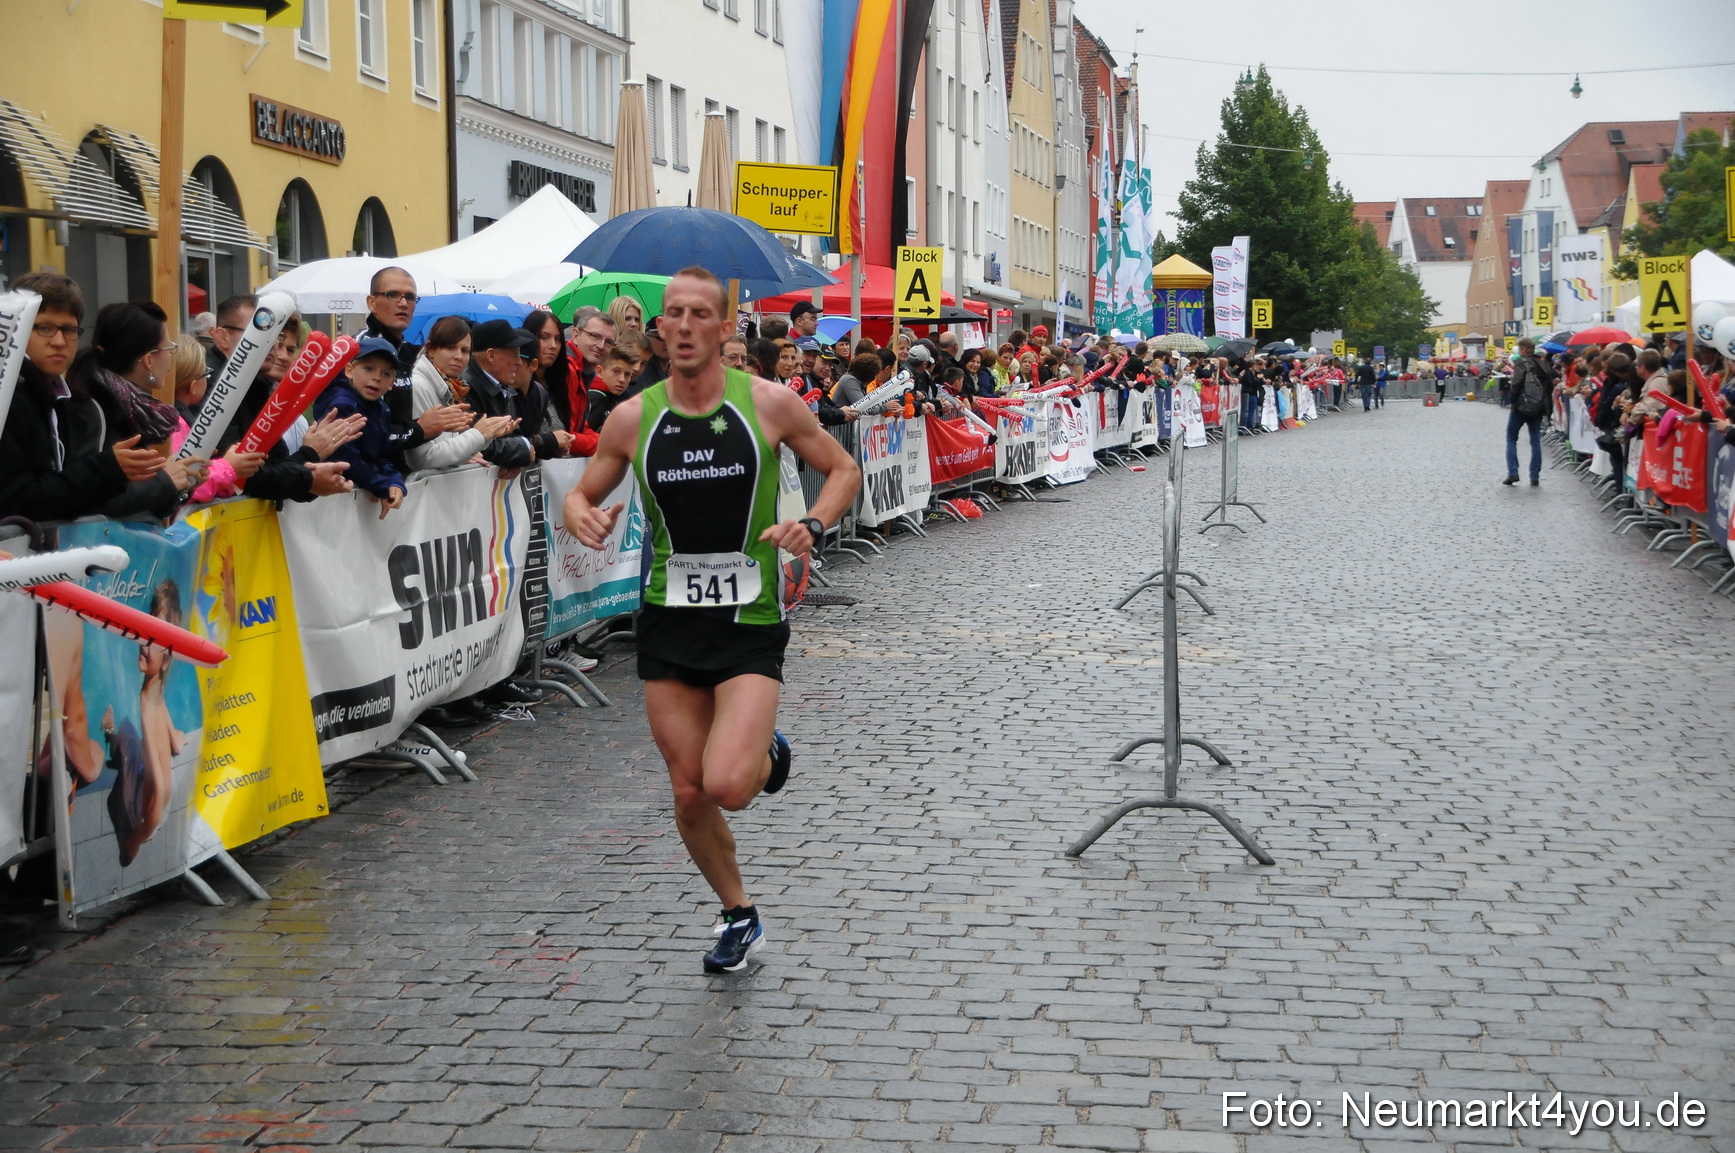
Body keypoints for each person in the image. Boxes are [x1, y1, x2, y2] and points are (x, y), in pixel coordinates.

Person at [562, 267, 860, 974]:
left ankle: (765, 750)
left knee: (729, 783)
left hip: (748, 614)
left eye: (702, 313)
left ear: (725, 327)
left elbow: (841, 468)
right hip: (668, 618)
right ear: (659, 330)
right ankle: (738, 913)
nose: (687, 324)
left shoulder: (770, 403)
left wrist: (812, 524)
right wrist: (581, 513)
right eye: (675, 313)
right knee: (690, 789)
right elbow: (582, 491)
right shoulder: (634, 417)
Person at [0, 273, 164, 522]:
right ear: (18, 330)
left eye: (68, 329)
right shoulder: (8, 400)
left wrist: (122, 473)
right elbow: (17, 501)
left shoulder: (67, 402)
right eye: (44, 328)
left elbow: (70, 496)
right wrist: (108, 468)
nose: (58, 341)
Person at [407, 316, 520, 471]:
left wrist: (485, 437)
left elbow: (446, 453)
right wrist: (479, 434)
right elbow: (424, 459)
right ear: (430, 349)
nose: (459, 356)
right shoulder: (419, 386)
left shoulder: (454, 387)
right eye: (450, 348)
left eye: (465, 350)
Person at [312, 337, 408, 517]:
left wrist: (395, 482)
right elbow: (347, 461)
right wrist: (382, 485)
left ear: (392, 383)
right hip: (330, 504)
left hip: (355, 502)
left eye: (386, 373)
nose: (376, 377)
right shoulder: (341, 405)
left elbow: (381, 457)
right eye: (368, 368)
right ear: (349, 370)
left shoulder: (382, 409)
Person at [1504, 337, 1553, 486]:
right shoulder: (1543, 364)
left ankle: (1513, 472)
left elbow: (1516, 384)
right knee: (1535, 441)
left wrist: (1512, 401)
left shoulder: (1521, 364)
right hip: (1538, 407)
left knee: (1511, 438)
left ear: (1523, 350)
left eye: (1520, 349)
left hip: (1521, 406)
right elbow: (1549, 387)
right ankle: (1534, 475)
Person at [586, 345, 640, 431]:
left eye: (627, 374)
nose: (622, 379)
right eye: (616, 372)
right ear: (599, 371)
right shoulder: (595, 399)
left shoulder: (624, 395)